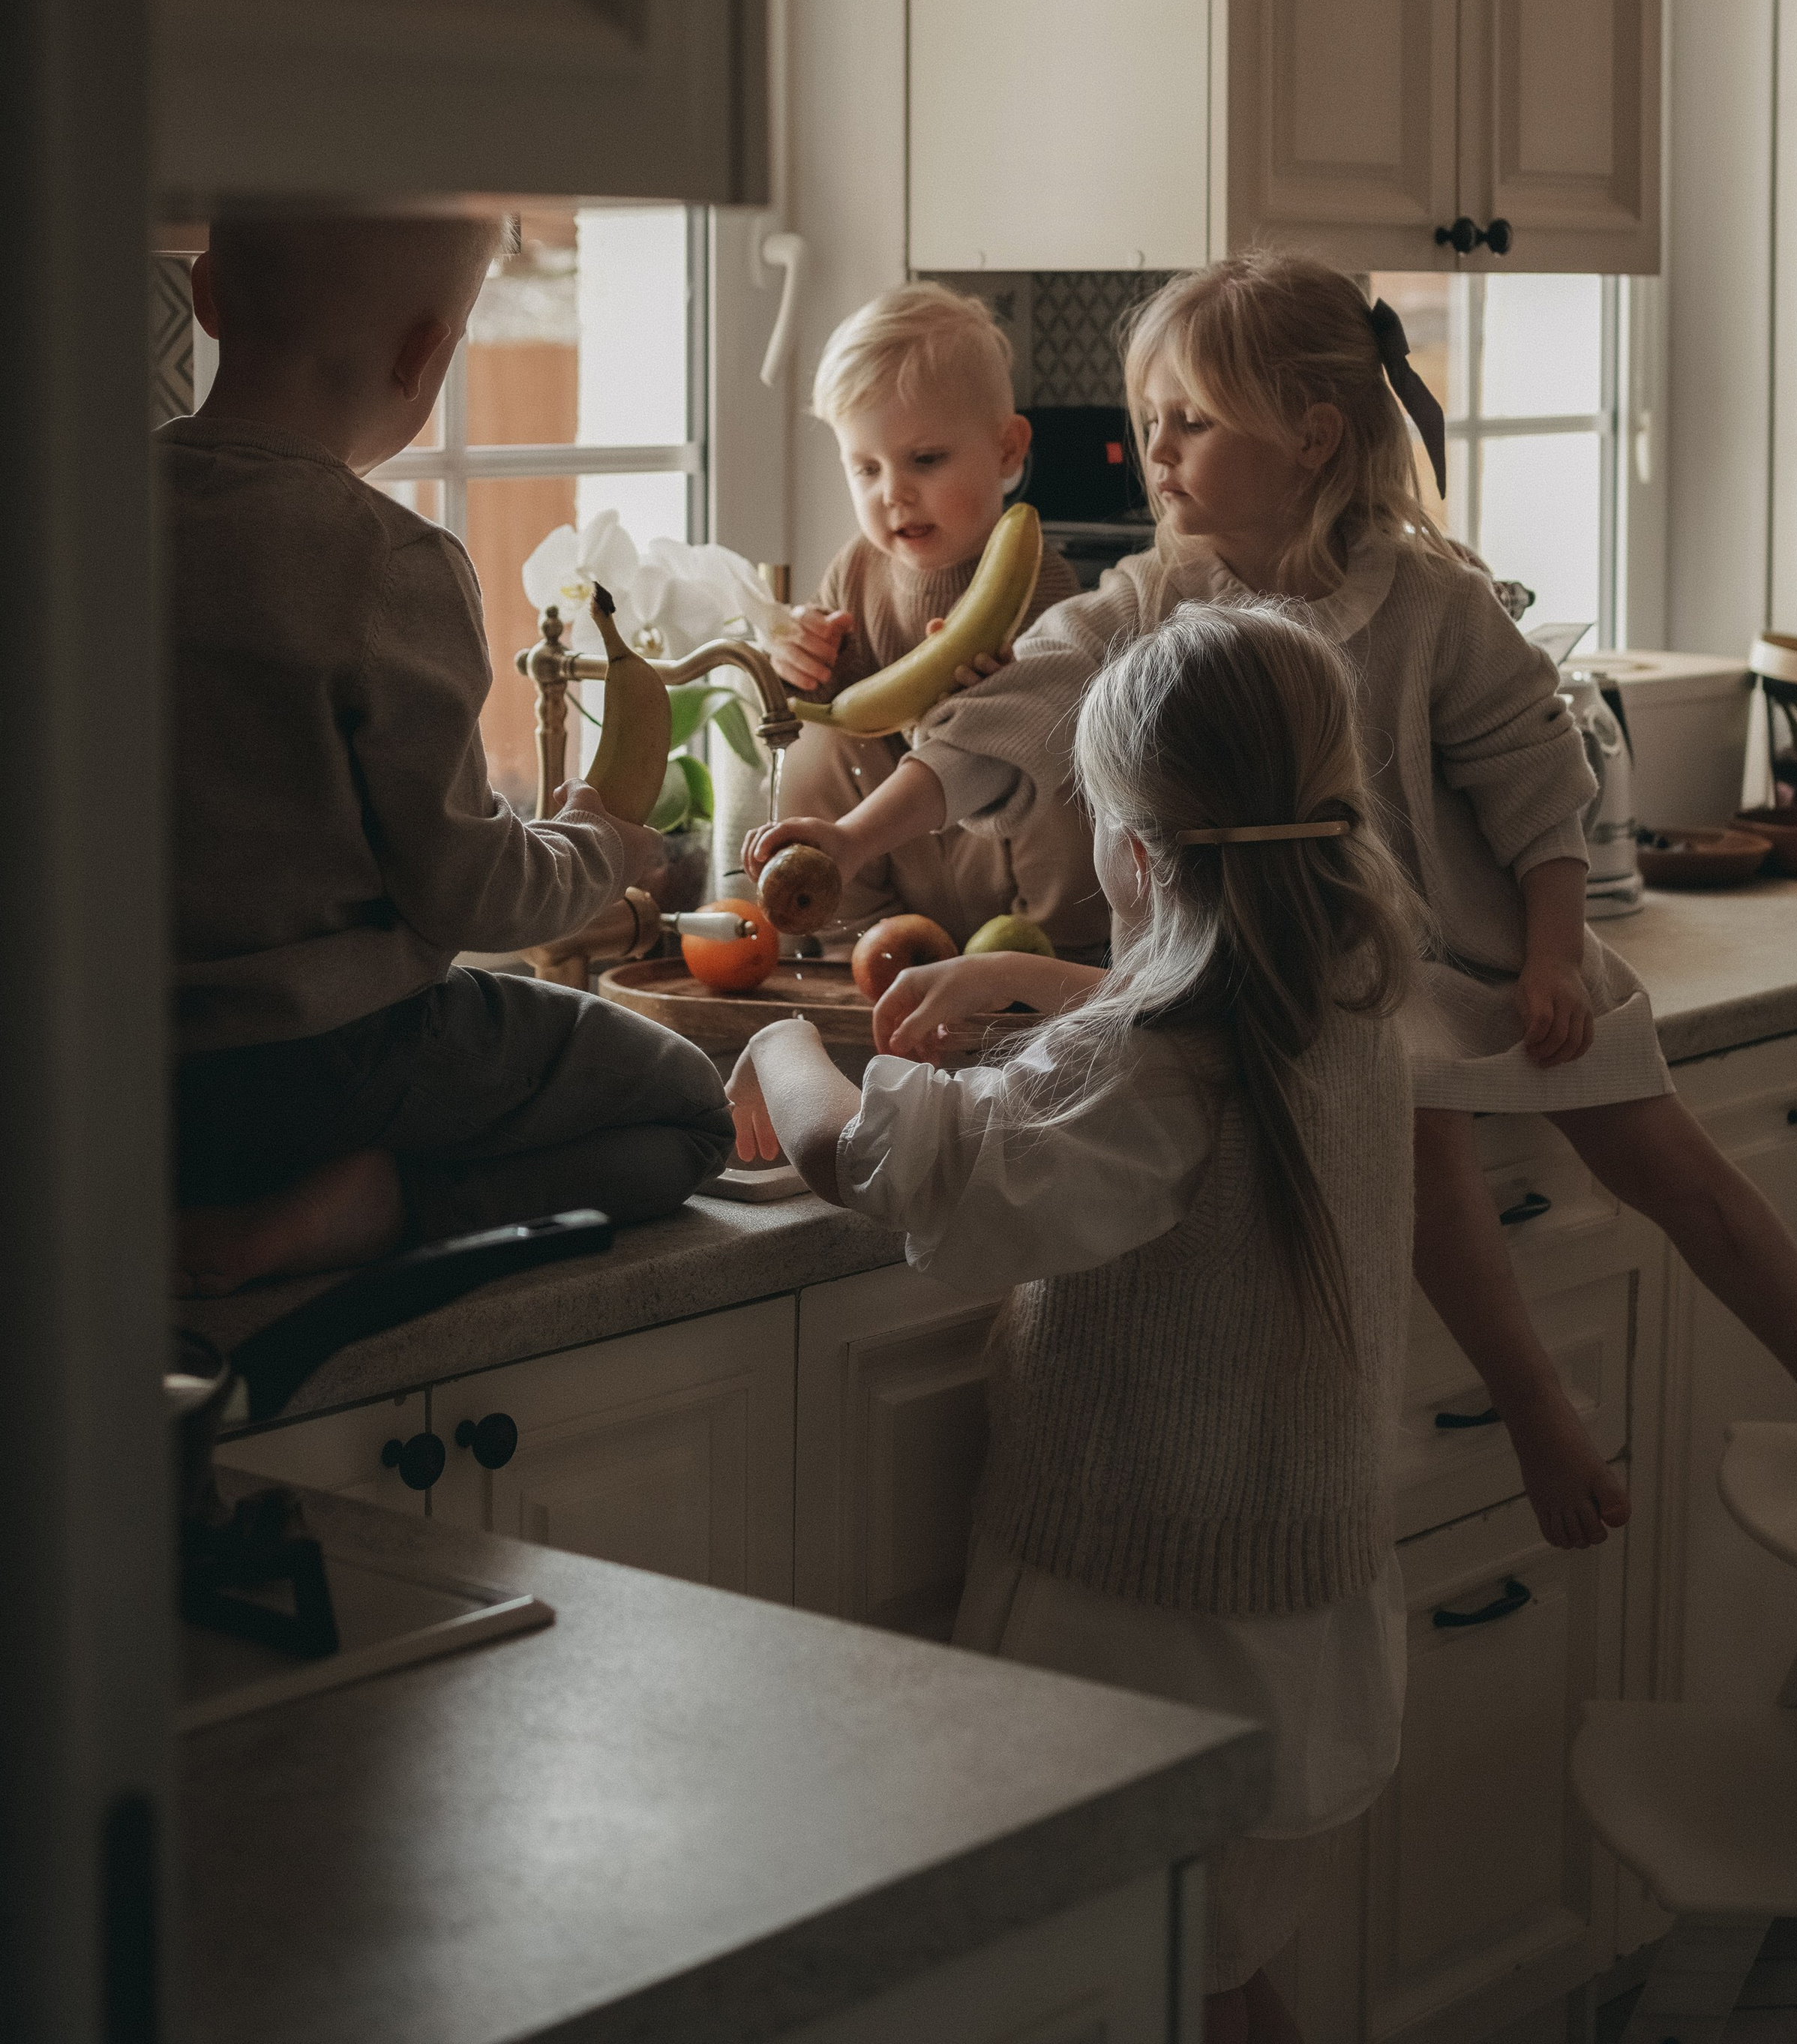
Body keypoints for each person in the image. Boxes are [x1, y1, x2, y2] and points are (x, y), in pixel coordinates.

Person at [751, 251, 1797, 1549]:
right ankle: (1538, 1407)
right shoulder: (1153, 597)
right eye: (1154, 423)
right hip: (1331, 986)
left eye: (1190, 422)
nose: (1158, 450)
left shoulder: (1430, 600)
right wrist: (852, 839)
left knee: (1682, 1174)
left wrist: (1549, 959)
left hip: (1490, 959)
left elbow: (1542, 785)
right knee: (1425, 1159)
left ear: (1310, 438)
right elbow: (1002, 722)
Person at [731, 602, 1416, 2041]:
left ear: (1136, 854)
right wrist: (1032, 982)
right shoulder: (1345, 1002)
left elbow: (882, 1164)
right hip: (1301, 1634)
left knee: (1145, 1994)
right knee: (1212, 1982)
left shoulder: (1147, 1066)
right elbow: (1195, 1032)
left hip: (1148, 1639)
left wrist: (780, 1043)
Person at [164, 213, 732, 1297]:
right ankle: (370, 1210)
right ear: (426, 356)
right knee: (687, 1109)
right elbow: (470, 894)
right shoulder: (388, 562)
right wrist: (600, 848)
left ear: (208, 297)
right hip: (337, 1061)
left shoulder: (81, 520)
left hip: (133, 1083)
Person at [770, 281, 1106, 956]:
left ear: (1008, 451)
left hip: (998, 847)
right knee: (815, 751)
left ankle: (1047, 961)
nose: (893, 493)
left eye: (926, 460)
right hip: (890, 845)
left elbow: (1042, 718)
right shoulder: (855, 571)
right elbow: (838, 716)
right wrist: (801, 666)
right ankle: (857, 946)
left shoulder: (1034, 578)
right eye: (865, 468)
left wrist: (991, 690)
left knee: (1065, 771)